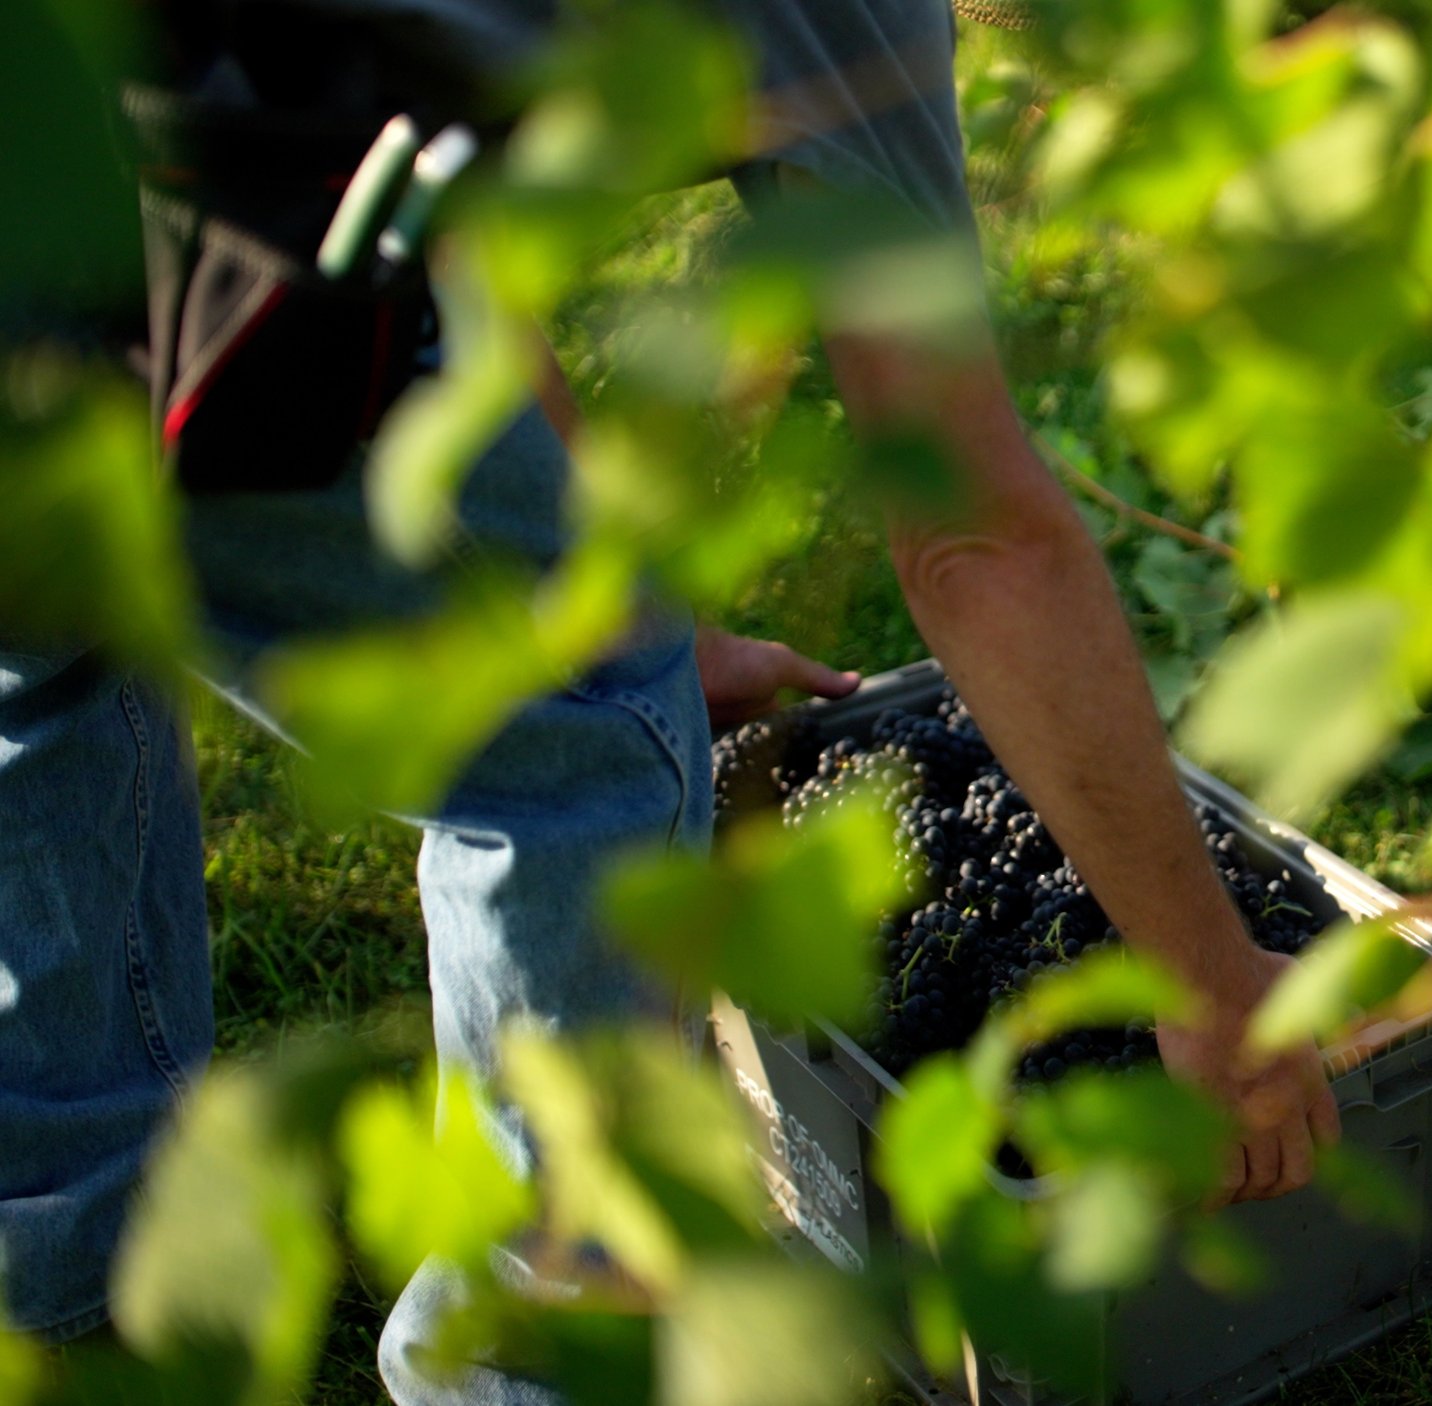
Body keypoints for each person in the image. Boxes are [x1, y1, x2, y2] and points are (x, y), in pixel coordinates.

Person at [0, 0, 1341, 1398]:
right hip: (154, 174)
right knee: (579, 758)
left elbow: (414, 174)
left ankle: (44, 1269)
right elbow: (973, 537)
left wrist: (638, 605)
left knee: (38, 635)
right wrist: (1213, 983)